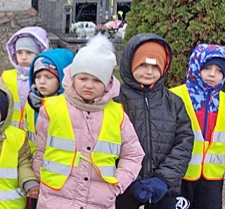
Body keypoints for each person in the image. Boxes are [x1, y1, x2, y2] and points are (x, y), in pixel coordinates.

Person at [33, 35, 144, 209]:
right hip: (55, 199)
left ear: (107, 83)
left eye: (96, 80)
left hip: (99, 201)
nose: (89, 85)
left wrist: (117, 184)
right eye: (83, 79)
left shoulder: (117, 114)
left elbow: (134, 155)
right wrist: (43, 179)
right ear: (73, 77)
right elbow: (39, 150)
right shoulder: (51, 108)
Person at [114, 34, 193, 208]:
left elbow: (184, 142)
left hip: (164, 189)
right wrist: (128, 179)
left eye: (155, 66)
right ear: (130, 64)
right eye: (143, 65)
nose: (149, 72)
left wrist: (164, 178)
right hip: (124, 190)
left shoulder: (174, 102)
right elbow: (106, 145)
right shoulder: (116, 101)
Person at [169, 44, 225, 209]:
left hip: (212, 178)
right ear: (196, 65)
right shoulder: (174, 96)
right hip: (180, 174)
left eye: (219, 70)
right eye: (207, 68)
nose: (212, 74)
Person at [24, 49, 74, 154]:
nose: (42, 81)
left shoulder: (69, 106)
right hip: (33, 160)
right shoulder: (31, 101)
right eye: (37, 77)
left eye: (49, 77)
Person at [2, 28, 49, 128]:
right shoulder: (6, 77)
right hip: (11, 132)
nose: (23, 57)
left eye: (29, 53)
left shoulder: (43, 78)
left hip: (35, 131)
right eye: (19, 52)